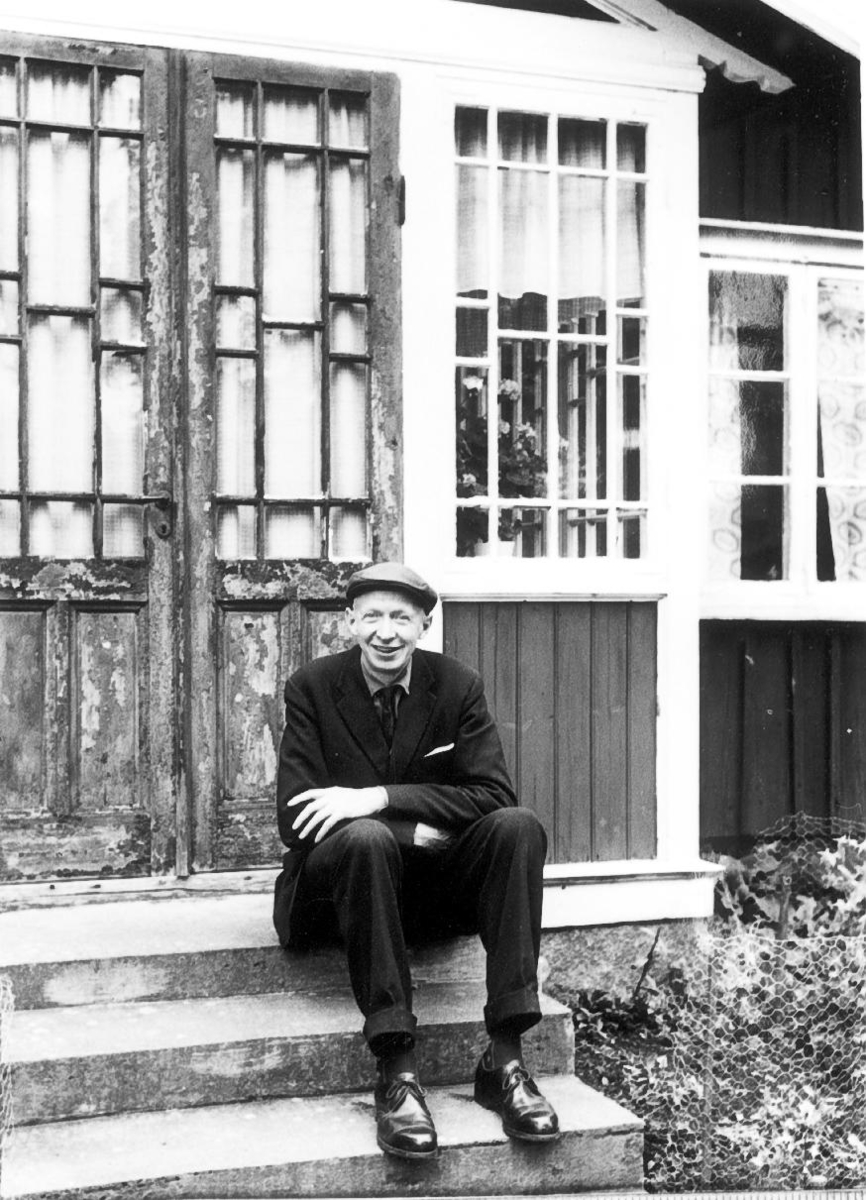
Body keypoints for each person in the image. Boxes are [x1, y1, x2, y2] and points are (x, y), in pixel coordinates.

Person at [273, 562, 559, 1160]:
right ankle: (397, 1071)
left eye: (401, 618)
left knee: (518, 827)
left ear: (423, 625)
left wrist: (378, 798)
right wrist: (416, 832)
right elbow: (296, 821)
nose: (386, 632)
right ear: (350, 621)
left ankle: (505, 1061)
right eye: (372, 616)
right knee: (365, 840)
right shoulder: (311, 687)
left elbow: (493, 795)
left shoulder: (456, 685)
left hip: (428, 896)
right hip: (336, 894)